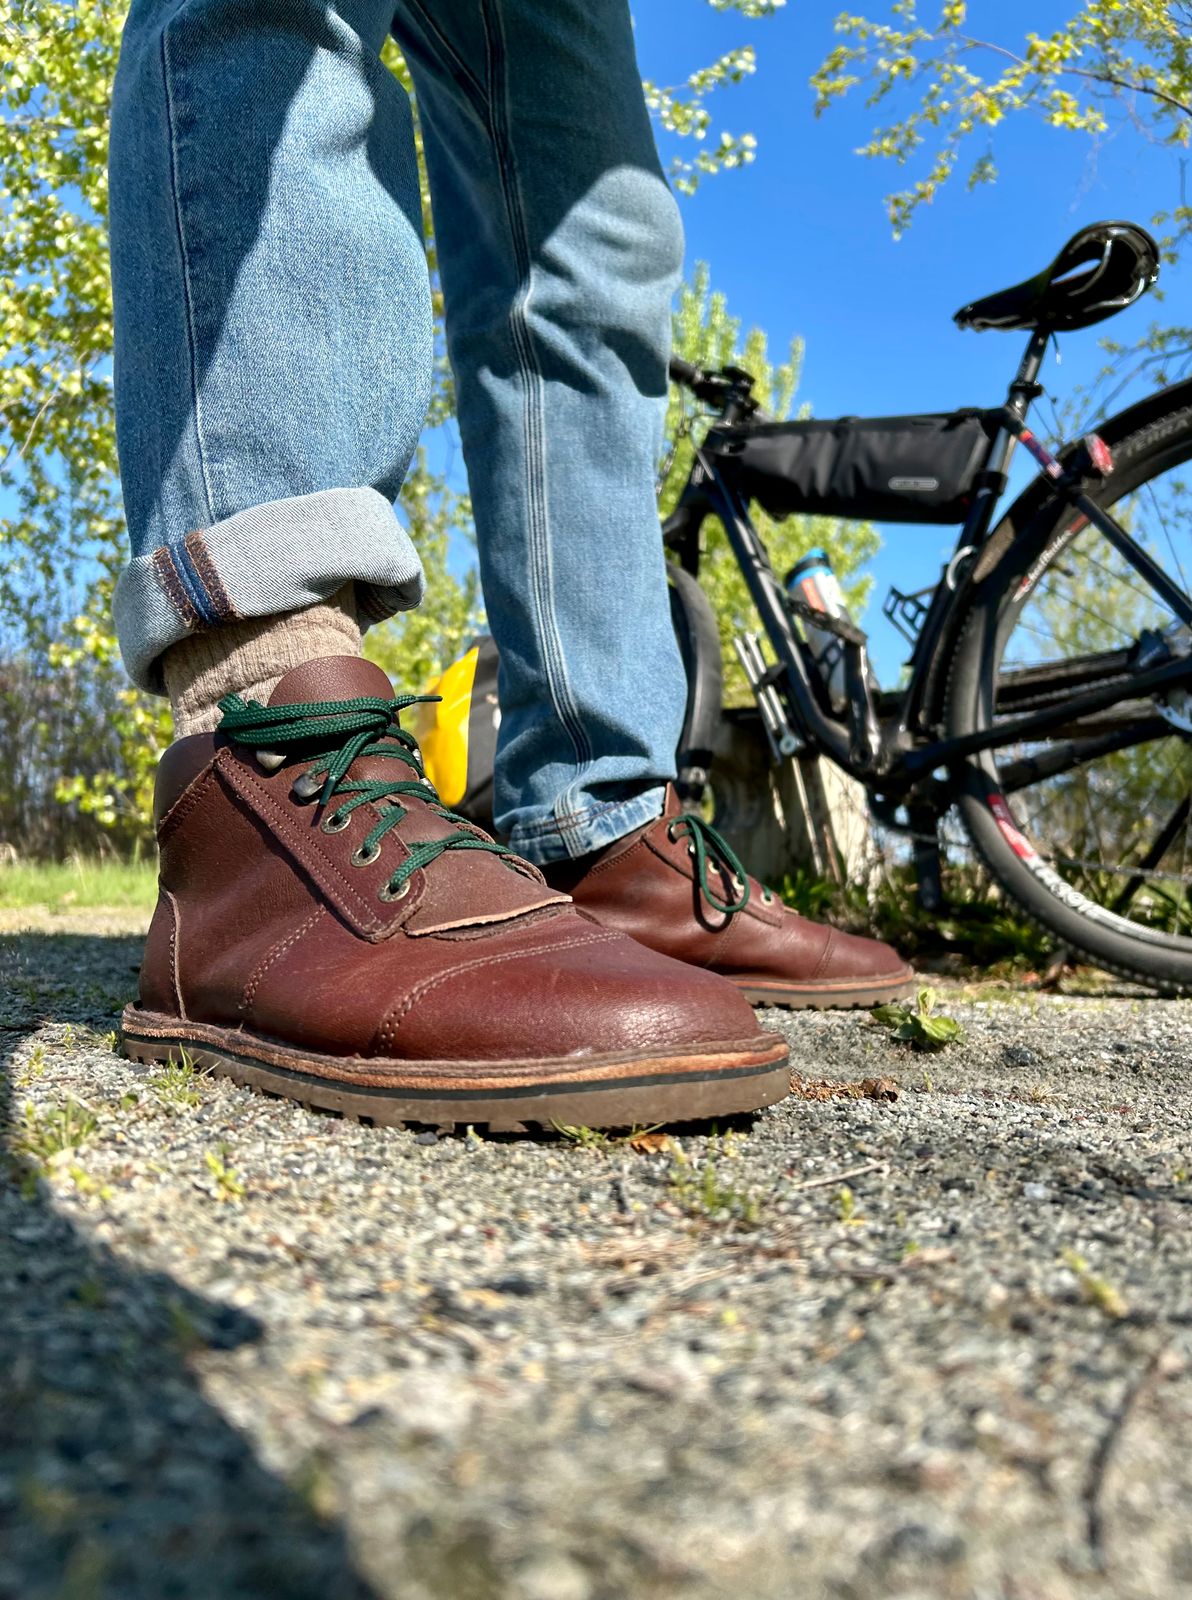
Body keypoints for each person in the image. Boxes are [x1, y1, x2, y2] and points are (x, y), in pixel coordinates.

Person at [109, 0, 912, 1131]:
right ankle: (263, 722)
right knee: (280, 22)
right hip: (257, 730)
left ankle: (600, 825)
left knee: (596, 226)